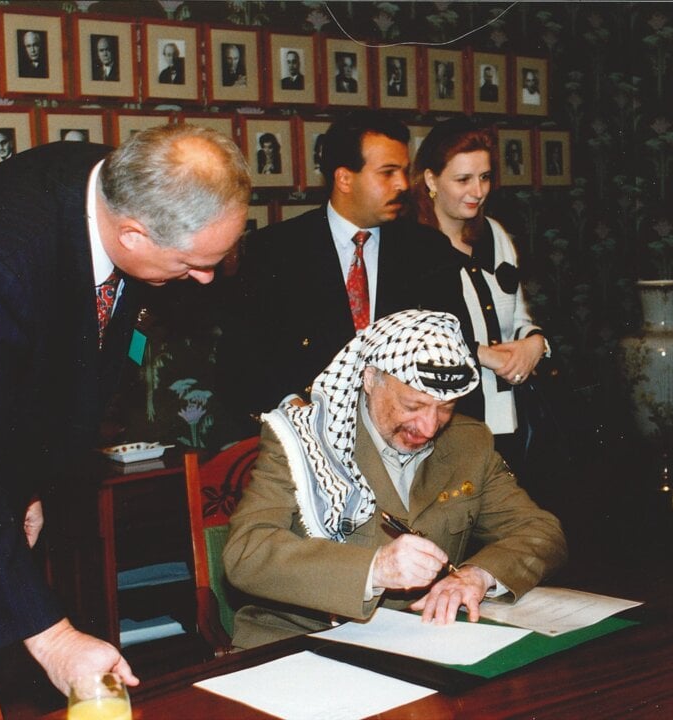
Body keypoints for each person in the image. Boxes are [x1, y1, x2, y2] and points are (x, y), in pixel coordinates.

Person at [0, 124, 251, 696]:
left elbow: (45, 373)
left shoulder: (114, 182)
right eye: (192, 262)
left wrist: (29, 484)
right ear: (133, 234)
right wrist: (54, 637)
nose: (204, 277)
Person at [223, 309, 567, 649]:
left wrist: (479, 575)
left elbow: (540, 531)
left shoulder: (468, 443)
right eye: (413, 405)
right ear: (370, 379)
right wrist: (376, 569)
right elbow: (247, 554)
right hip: (302, 641)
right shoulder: (302, 439)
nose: (429, 427)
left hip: (423, 640)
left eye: (446, 407)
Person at [221, 111, 468, 430]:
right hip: (307, 439)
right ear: (344, 178)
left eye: (404, 172)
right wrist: (291, 406)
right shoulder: (274, 251)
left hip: (410, 439)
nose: (403, 185)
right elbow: (243, 357)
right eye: (388, 173)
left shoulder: (428, 251)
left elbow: (456, 354)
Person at [412, 118, 549, 471]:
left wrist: (534, 344)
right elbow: (416, 339)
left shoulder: (494, 233)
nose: (478, 191)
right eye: (463, 180)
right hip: (448, 425)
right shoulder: (410, 247)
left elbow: (519, 315)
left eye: (485, 177)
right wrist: (487, 356)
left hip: (512, 419)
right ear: (430, 179)